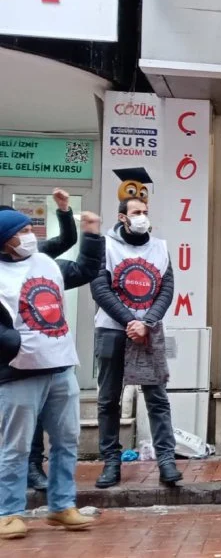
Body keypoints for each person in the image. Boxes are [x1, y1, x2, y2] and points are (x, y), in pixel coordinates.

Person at [0, 208, 103, 540]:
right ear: (5, 241)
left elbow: (87, 269)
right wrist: (9, 343)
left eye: (32, 228)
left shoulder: (46, 263)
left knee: (67, 440)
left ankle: (61, 505)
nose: (31, 235)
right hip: (18, 374)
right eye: (23, 230)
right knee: (14, 448)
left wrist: (91, 233)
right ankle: (8, 512)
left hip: (61, 368)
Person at [91, 198, 180, 489]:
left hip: (149, 332)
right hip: (112, 331)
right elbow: (100, 288)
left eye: (145, 212)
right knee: (108, 400)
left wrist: (147, 323)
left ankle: (166, 462)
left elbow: (167, 291)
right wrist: (131, 321)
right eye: (136, 213)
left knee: (157, 398)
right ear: (122, 217)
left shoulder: (160, 247)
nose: (142, 217)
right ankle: (111, 463)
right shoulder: (105, 245)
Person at [0, 189, 80, 493]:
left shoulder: (37, 259)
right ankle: (17, 492)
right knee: (17, 437)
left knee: (62, 435)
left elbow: (65, 242)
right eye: (21, 231)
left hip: (50, 360)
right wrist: (15, 342)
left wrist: (64, 211)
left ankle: (55, 493)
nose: (28, 236)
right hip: (15, 364)